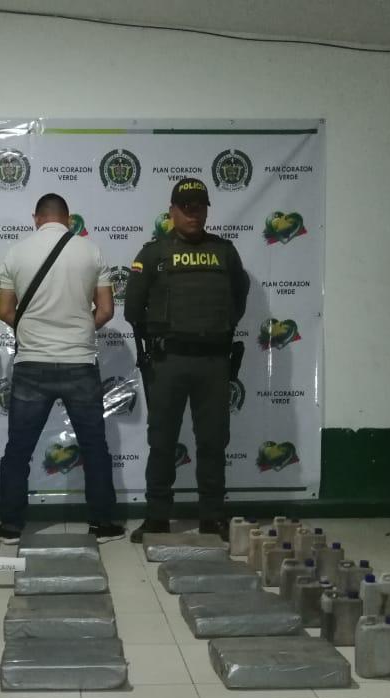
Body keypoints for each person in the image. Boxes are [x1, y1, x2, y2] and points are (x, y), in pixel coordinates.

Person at [0, 193, 125, 544]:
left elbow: (4, 311)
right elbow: (106, 310)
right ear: (68, 218)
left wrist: (33, 332)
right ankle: (103, 524)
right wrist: (78, 332)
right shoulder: (91, 251)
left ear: (36, 218)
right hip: (80, 362)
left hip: (31, 364)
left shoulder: (16, 253)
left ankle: (10, 527)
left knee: (18, 449)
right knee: (94, 448)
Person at [124, 177, 250, 542]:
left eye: (200, 207)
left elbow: (239, 298)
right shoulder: (153, 253)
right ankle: (156, 517)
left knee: (213, 441)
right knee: (162, 441)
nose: (194, 214)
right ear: (172, 211)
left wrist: (214, 330)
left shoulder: (225, 252)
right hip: (169, 361)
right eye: (186, 207)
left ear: (207, 210)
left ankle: (212, 517)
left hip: (213, 361)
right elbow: (133, 308)